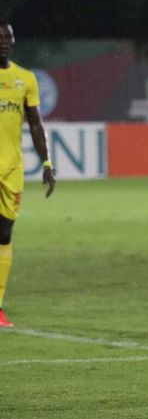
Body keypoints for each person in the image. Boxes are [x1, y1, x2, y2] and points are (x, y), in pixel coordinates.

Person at [0, 20, 56, 327]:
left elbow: (35, 123)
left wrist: (46, 164)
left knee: (5, 234)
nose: (4, 42)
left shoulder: (24, 79)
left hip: (11, 168)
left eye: (7, 37)